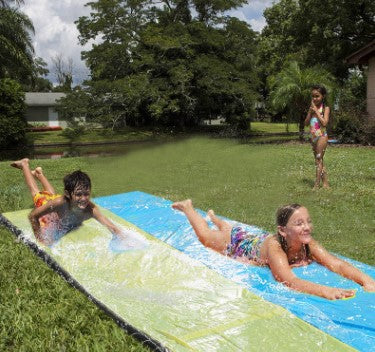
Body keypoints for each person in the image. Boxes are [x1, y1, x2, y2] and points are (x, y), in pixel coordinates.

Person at [172, 200, 375, 300]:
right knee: (206, 238)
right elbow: (289, 280)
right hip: (239, 244)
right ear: (283, 231)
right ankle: (189, 207)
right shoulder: (275, 247)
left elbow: (336, 263)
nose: (306, 227)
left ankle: (218, 221)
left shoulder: (308, 244)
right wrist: (325, 290)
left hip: (255, 239)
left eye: (308, 222)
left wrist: (365, 280)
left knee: (230, 230)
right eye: (299, 223)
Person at [11, 158, 124, 245]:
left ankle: (39, 174)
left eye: (87, 194)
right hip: (50, 212)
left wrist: (123, 239)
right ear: (68, 194)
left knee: (51, 194)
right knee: (36, 193)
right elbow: (33, 216)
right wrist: (40, 241)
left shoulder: (91, 209)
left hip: (57, 202)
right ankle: (24, 164)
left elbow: (111, 226)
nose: (84, 198)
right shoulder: (59, 203)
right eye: (79, 194)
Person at [304, 84, 330, 189]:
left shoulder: (325, 108)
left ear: (322, 96)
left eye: (317, 96)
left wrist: (316, 112)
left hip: (322, 136)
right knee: (319, 160)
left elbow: (324, 123)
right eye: (313, 96)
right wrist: (310, 112)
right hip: (313, 137)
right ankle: (325, 183)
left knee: (318, 160)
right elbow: (306, 123)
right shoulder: (311, 109)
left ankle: (316, 185)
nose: (314, 98)